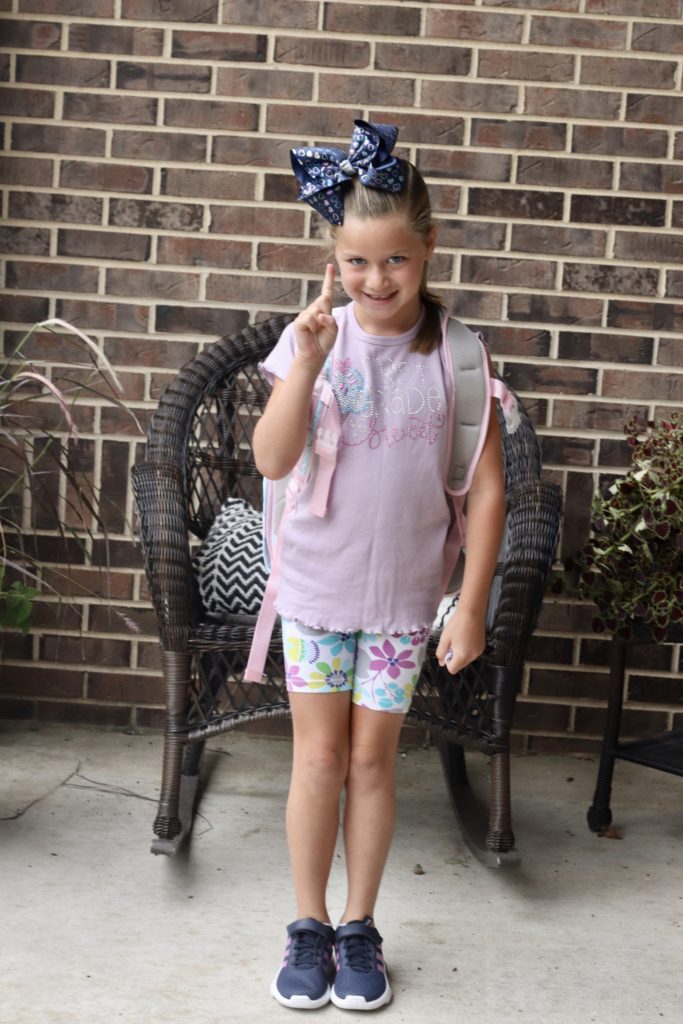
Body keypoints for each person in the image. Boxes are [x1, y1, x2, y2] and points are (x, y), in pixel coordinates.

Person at [252, 120, 505, 1011]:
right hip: (315, 591)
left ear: (427, 248)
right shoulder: (312, 344)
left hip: (403, 602)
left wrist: (468, 606)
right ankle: (308, 925)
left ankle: (359, 927)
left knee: (371, 763)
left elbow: (485, 493)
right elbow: (272, 459)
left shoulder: (459, 358)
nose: (376, 279)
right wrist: (306, 364)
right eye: (356, 261)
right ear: (333, 257)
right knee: (317, 760)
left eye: (394, 259)